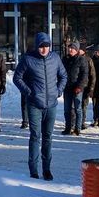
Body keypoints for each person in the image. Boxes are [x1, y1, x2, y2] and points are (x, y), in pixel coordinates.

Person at [14, 33, 67, 180]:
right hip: (34, 104)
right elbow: (17, 77)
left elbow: (63, 76)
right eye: (41, 46)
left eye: (46, 46)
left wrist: (58, 91)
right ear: (37, 46)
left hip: (51, 105)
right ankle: (33, 170)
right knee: (35, 136)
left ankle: (47, 169)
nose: (44, 49)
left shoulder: (55, 58)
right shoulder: (28, 59)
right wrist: (28, 92)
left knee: (48, 137)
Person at [61, 43, 89, 136]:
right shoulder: (65, 59)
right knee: (67, 109)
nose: (70, 50)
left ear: (77, 50)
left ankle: (77, 128)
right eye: (69, 48)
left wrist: (80, 87)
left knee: (78, 108)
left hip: (77, 88)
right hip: (67, 87)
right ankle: (68, 127)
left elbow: (84, 75)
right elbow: (61, 72)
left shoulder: (81, 59)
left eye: (72, 48)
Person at [81, 47, 96, 129]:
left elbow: (92, 75)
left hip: (85, 86)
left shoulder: (88, 60)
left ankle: (82, 121)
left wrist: (91, 88)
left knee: (83, 105)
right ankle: (74, 122)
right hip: (75, 86)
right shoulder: (73, 58)